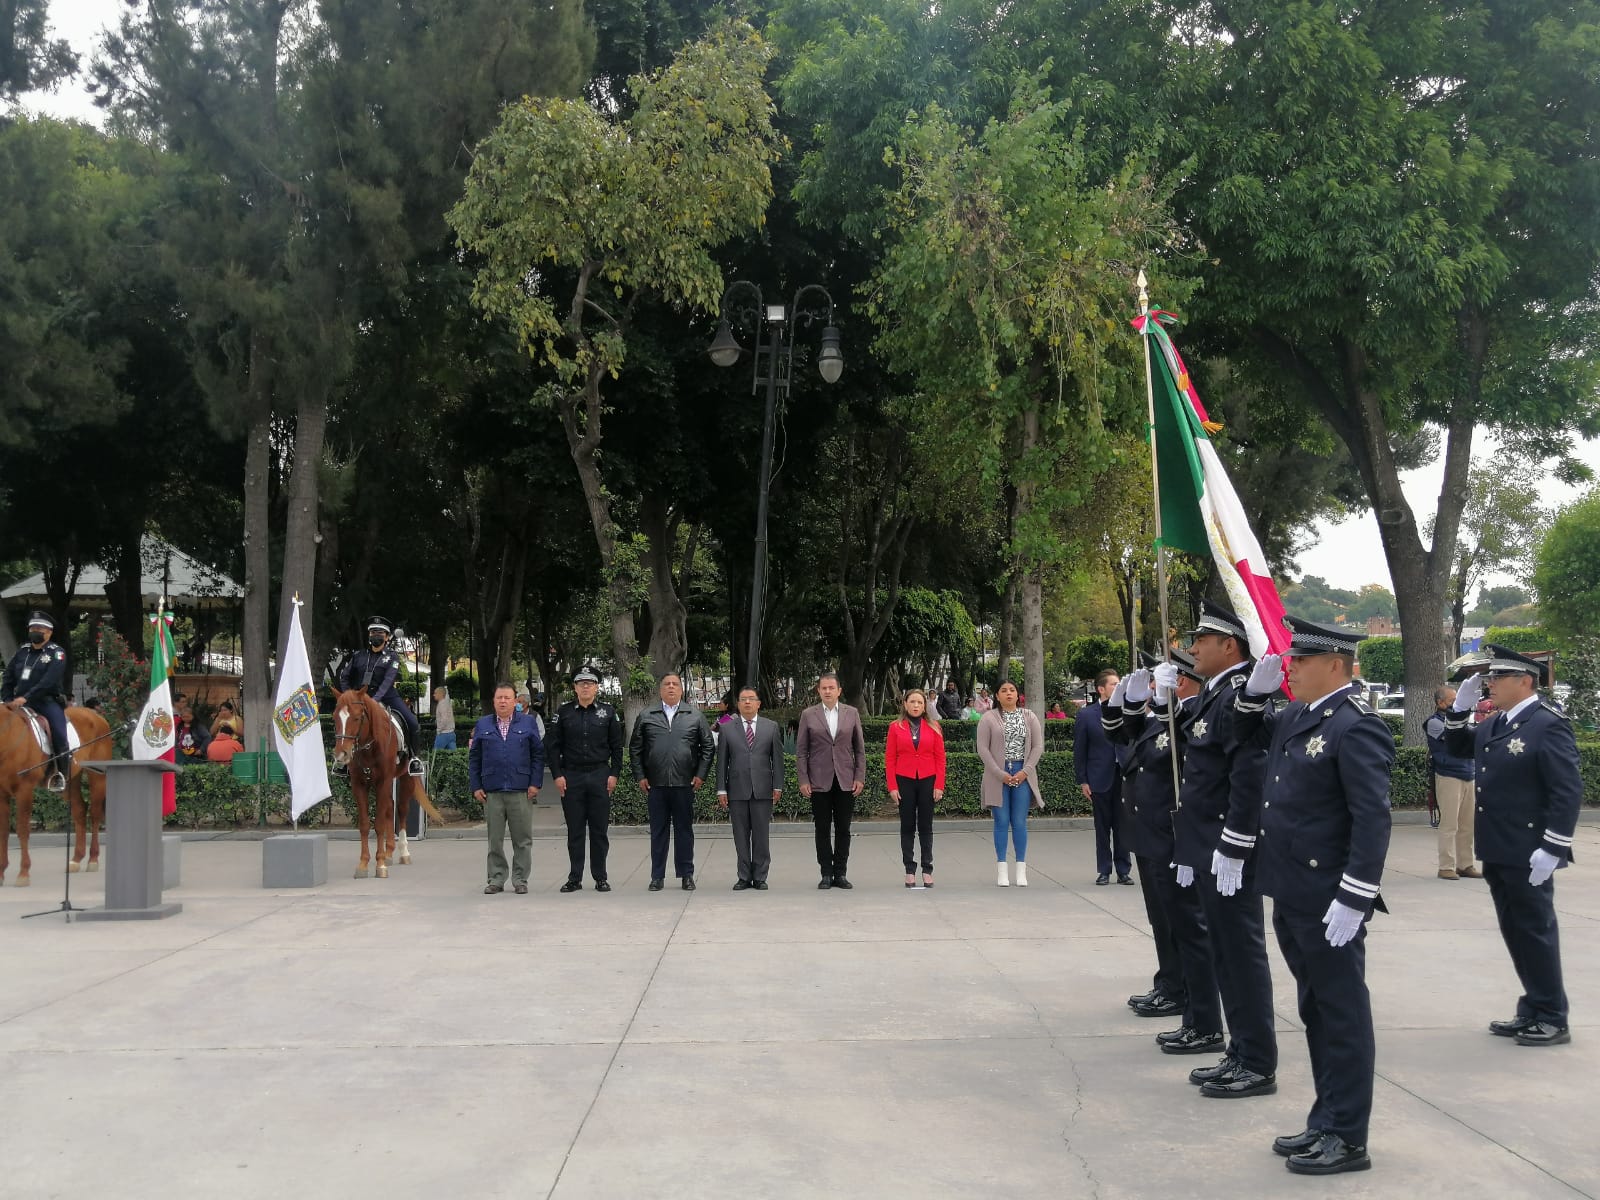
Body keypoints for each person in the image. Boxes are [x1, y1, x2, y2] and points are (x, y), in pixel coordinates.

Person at [1233, 618, 1393, 1176]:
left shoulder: (1356, 725)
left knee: (1341, 1013)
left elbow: (1372, 818)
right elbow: (1244, 737)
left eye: (1300, 660)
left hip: (1329, 898)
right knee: (1315, 1008)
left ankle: (1349, 1136)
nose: (1289, 667)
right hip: (1292, 889)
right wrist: (1252, 696)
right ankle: (1327, 1118)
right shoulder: (1299, 716)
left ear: (1335, 664)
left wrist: (1356, 896)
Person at [1166, 599, 1277, 1100]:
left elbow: (1247, 776)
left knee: (1240, 952)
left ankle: (1257, 1061)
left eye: (1201, 640)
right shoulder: (1215, 696)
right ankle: (1240, 1049)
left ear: (1228, 645)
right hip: (1208, 847)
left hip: (1228, 852)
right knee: (1225, 953)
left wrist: (1235, 844)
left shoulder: (1240, 696)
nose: (1192, 649)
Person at [1444, 645, 1580, 1048]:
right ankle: (1533, 1008)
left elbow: (1567, 790)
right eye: (1490, 678)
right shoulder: (1495, 723)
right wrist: (1458, 712)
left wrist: (1554, 847)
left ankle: (1553, 1016)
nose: (1490, 684)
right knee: (1516, 931)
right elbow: (1457, 747)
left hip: (1530, 849)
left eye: (1499, 678)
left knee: (1536, 931)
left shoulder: (1547, 723)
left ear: (1525, 681)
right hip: (1499, 847)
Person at [1104, 651, 1223, 1056]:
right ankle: (1174, 987)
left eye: (1161, 680)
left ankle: (1198, 1012)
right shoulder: (1165, 717)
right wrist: (1128, 703)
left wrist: (1152, 707)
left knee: (1189, 929)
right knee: (1166, 922)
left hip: (1174, 839)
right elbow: (1122, 736)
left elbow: (1175, 757)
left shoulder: (1189, 718)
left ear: (1183, 681)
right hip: (1151, 834)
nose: (1155, 686)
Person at [630, 672, 715, 891]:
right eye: (666, 684)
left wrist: (700, 775)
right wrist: (640, 775)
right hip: (656, 784)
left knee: (684, 831)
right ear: (660, 690)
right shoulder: (647, 715)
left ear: (681, 689)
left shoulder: (694, 715)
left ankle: (686, 874)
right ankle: (657, 876)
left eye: (674, 684)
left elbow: (707, 747)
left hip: (684, 784)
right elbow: (635, 748)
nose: (670, 687)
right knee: (658, 831)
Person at [548, 667, 623, 893]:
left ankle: (600, 877)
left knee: (599, 831)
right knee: (575, 830)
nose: (586, 686)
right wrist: (557, 775)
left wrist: (614, 774)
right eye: (581, 683)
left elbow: (616, 747)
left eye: (590, 683)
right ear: (575, 687)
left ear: (597, 687)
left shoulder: (608, 713)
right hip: (572, 777)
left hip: (600, 775)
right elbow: (552, 747)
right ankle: (575, 877)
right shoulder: (563, 713)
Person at [469, 682, 544, 895]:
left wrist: (535, 783)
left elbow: (538, 755)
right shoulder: (483, 724)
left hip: (521, 790)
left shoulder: (528, 723)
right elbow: (475, 758)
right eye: (499, 697)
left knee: (522, 839)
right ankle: (496, 878)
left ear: (515, 701)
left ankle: (520, 879)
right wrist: (476, 786)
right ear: (493, 701)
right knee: (495, 839)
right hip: (491, 791)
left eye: (507, 698)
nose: (503, 701)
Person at [796, 672, 867, 889]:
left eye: (831, 688)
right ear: (818, 690)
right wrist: (803, 779)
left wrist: (859, 776)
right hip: (819, 780)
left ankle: (841, 873)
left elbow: (859, 749)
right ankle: (826, 873)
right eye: (823, 688)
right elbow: (801, 751)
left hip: (845, 779)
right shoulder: (809, 715)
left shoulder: (851, 713)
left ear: (839, 691)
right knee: (822, 828)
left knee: (844, 828)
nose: (827, 691)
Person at [715, 686, 784, 890]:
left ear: (758, 703)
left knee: (762, 836)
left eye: (751, 699)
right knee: (741, 835)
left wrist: (777, 785)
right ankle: (744, 876)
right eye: (743, 699)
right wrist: (721, 789)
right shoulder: (727, 728)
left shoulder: (771, 727)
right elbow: (722, 762)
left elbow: (777, 760)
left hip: (763, 789)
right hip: (737, 790)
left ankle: (760, 876)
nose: (747, 702)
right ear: (738, 704)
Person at [977, 680, 1045, 886]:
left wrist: (1025, 771)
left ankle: (1021, 870)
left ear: (1018, 695)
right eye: (1004, 691)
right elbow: (983, 749)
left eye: (1012, 690)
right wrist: (1000, 773)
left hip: (1022, 774)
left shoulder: (1029, 716)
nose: (1008, 693)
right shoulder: (988, 718)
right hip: (997, 775)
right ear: (996, 696)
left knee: (1019, 822)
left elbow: (1037, 746)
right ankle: (1002, 870)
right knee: (1001, 821)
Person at [338, 616, 422, 775]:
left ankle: (413, 759)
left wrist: (374, 701)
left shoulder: (392, 657)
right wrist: (348, 696)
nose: (376, 635)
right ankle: (343, 760)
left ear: (387, 637)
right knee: (344, 722)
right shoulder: (359, 656)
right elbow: (344, 677)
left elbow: (388, 681)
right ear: (369, 635)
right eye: (373, 632)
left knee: (413, 722)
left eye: (380, 633)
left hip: (387, 696)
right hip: (360, 699)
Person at [1, 610, 70, 791]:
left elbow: (48, 681)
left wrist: (26, 697)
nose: (35, 631)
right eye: (32, 628)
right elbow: (8, 676)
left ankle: (61, 773)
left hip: (46, 702)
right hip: (19, 703)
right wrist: (7, 699)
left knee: (59, 732)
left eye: (39, 628)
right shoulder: (22, 652)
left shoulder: (57, 654)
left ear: (49, 632)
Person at [1076, 667, 1132, 886]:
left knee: (1123, 825)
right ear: (1101, 689)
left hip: (1125, 775)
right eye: (1113, 684)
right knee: (1102, 827)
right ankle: (1104, 870)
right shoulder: (1087, 715)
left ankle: (1124, 869)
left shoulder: (1128, 711)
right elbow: (1080, 750)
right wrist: (1083, 779)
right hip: (1099, 777)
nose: (1118, 688)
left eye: (1119, 684)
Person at [886, 688, 946, 888]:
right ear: (905, 704)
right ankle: (909, 870)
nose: (916, 706)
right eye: (912, 702)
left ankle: (927, 869)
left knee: (926, 826)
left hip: (928, 779)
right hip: (905, 779)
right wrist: (892, 786)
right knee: (907, 825)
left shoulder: (934, 726)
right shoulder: (896, 727)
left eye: (920, 702)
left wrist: (939, 785)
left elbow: (940, 758)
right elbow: (890, 758)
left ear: (925, 706)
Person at [1426, 685, 1478, 879]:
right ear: (1440, 703)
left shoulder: (1461, 721)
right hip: (1448, 775)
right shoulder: (1434, 722)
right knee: (1449, 824)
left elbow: (1471, 738)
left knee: (1467, 824)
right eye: (1451, 701)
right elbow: (1455, 738)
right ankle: (1446, 866)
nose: (1455, 704)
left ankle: (1465, 864)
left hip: (1468, 774)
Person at [432, 685, 457, 751]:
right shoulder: (446, 702)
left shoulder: (442, 704)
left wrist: (439, 730)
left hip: (443, 734)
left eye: (435, 693)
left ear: (441, 694)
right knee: (453, 755)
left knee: (435, 755)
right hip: (451, 733)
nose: (434, 695)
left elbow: (444, 719)